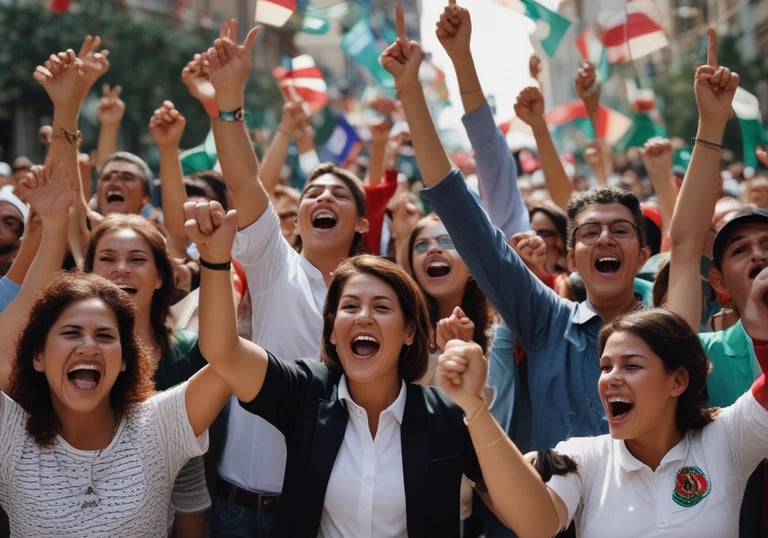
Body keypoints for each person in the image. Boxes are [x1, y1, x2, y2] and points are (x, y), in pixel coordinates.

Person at [381, 2, 650, 452]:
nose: (604, 239)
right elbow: (459, 206)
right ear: (571, 255)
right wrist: (412, 89)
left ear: (643, 255)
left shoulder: (670, 325)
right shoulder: (544, 318)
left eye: (621, 230)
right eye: (588, 233)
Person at [185, 198, 484, 537]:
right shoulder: (305, 392)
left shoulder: (445, 415)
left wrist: (475, 405)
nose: (364, 317)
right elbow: (222, 351)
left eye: (382, 307)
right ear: (332, 327)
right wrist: (214, 260)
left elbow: (533, 518)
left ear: (409, 331)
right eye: (350, 306)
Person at [193, 21, 371, 535]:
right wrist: (230, 100)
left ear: (361, 223)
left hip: (320, 513)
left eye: (338, 194)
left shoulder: (374, 297)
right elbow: (244, 180)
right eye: (313, 192)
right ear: (293, 218)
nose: (321, 199)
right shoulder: (273, 265)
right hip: (235, 509)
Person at [437, 303, 768, 537]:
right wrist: (474, 407)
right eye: (606, 366)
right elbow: (535, 527)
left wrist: (760, 326)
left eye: (631, 366)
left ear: (678, 381)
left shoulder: (728, 436)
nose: (611, 378)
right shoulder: (585, 457)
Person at [0, 270, 230, 535]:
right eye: (71, 333)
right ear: (37, 356)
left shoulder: (159, 427)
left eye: (105, 336)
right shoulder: (11, 434)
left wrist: (215, 260)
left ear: (123, 360)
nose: (89, 347)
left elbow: (228, 360)